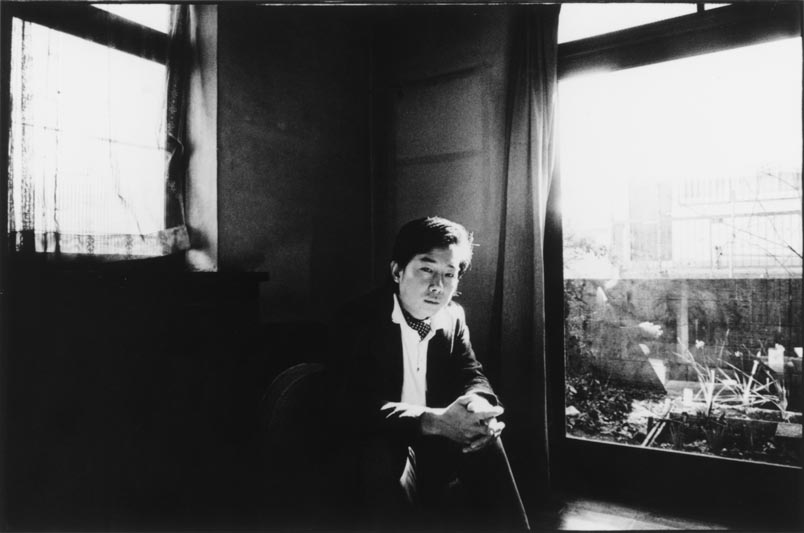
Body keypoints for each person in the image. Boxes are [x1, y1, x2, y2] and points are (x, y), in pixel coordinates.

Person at [327, 216, 529, 530]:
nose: (438, 286)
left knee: (485, 434)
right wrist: (430, 420)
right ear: (397, 271)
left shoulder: (453, 317)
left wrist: (477, 405)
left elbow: (471, 373)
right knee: (380, 453)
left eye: (449, 274)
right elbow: (350, 407)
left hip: (436, 441)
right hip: (381, 441)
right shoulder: (356, 320)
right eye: (426, 269)